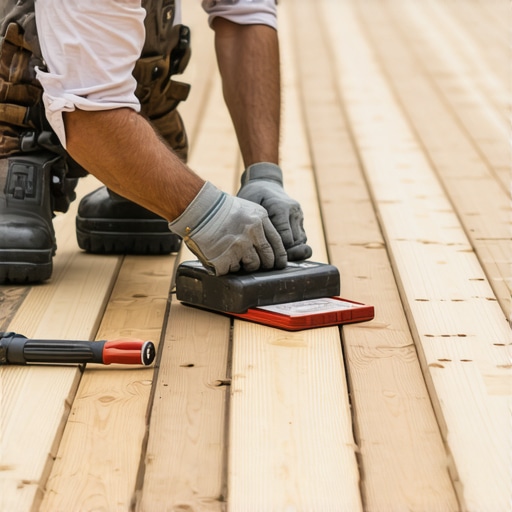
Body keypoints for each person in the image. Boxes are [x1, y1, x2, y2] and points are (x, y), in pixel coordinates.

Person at [0, 0, 312, 283]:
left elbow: (245, 14)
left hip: (128, 96)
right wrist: (208, 214)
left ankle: (140, 158)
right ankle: (20, 145)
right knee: (18, 241)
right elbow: (84, 116)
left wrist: (264, 174)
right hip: (31, 107)